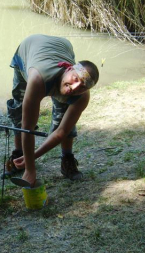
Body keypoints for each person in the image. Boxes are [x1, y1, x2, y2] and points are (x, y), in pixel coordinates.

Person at [6, 34, 99, 186]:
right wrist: (30, 169)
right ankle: (18, 154)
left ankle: (67, 158)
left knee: (63, 115)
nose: (74, 88)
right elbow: (27, 128)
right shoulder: (37, 78)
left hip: (62, 47)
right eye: (75, 79)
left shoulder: (82, 97)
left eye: (82, 86)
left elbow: (61, 131)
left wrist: (34, 156)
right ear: (69, 68)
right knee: (20, 110)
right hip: (29, 48)